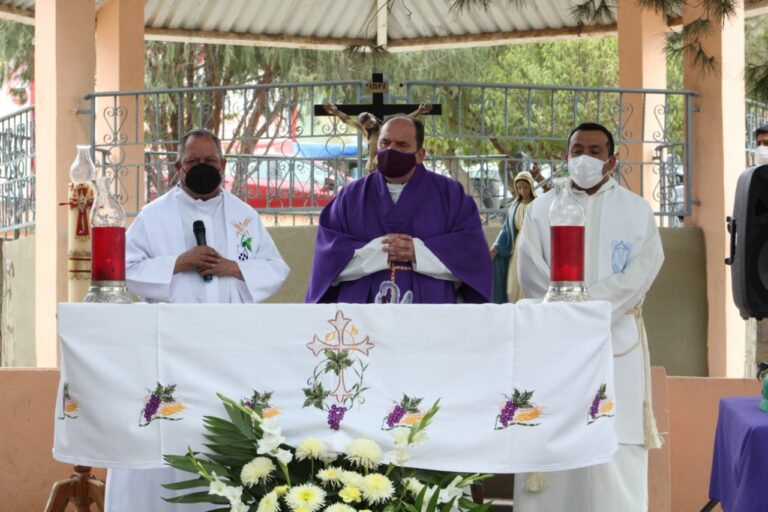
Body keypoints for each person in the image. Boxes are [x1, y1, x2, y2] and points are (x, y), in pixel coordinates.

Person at [105, 128, 290, 511]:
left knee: (218, 432)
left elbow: (275, 269)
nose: (202, 168)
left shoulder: (244, 217)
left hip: (229, 348)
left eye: (209, 161)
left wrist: (232, 268)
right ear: (177, 167)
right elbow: (125, 268)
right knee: (168, 430)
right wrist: (178, 263)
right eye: (193, 162)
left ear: (223, 165)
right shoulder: (153, 216)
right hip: (169, 347)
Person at [514, 122, 664, 512]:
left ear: (612, 161)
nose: (585, 157)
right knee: (554, 440)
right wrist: (570, 311)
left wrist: (589, 304)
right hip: (555, 341)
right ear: (566, 157)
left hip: (616, 340)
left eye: (595, 151)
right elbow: (530, 269)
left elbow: (643, 270)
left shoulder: (635, 211)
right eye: (577, 149)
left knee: (613, 451)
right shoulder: (542, 208)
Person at [306, 114, 491, 304]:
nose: (390, 150)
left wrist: (417, 252)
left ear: (420, 155)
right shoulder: (350, 197)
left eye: (401, 145)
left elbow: (473, 257)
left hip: (429, 313)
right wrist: (376, 252)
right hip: (363, 314)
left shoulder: (451, 196)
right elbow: (326, 261)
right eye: (385, 143)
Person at [323, 101, 432, 174]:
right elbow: (347, 120)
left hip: (388, 165)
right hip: (371, 167)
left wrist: (419, 111)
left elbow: (405, 119)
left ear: (373, 117)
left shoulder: (387, 128)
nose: (371, 125)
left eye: (371, 122)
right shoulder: (366, 132)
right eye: (368, 125)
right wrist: (336, 111)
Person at [490, 170, 536, 303]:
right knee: (512, 285)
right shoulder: (514, 207)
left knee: (530, 279)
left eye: (526, 187)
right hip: (517, 247)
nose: (523, 190)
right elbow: (506, 230)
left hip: (533, 245)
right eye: (519, 187)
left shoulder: (537, 204)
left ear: (531, 187)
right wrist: (495, 248)